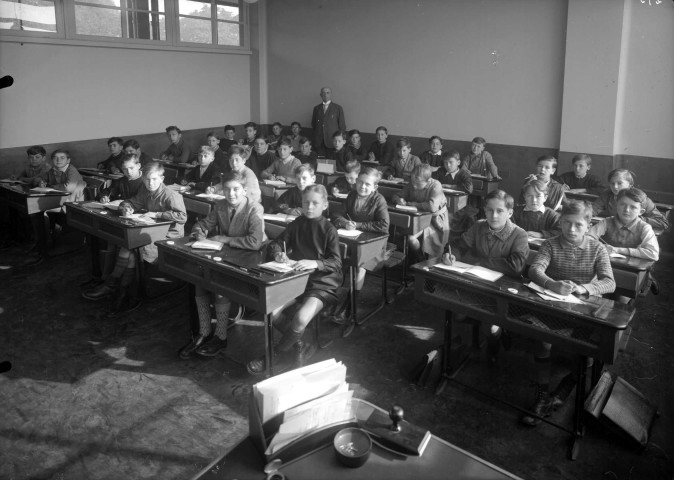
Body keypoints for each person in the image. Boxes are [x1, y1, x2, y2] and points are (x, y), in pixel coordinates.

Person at [523, 200, 615, 426]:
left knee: (587, 352)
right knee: (543, 342)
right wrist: (551, 284)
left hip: (582, 308)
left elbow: (609, 282)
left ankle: (569, 383)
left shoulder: (597, 248)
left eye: (578, 225)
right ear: (560, 222)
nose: (571, 230)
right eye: (566, 223)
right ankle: (543, 393)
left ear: (588, 225)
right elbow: (535, 269)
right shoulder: (550, 244)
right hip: (553, 304)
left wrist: (585, 288)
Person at [247, 184, 342, 375]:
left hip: (322, 283)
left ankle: (274, 354)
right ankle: (298, 344)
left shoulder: (329, 229)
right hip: (297, 278)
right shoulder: (297, 223)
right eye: (306, 202)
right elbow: (276, 243)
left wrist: (315, 263)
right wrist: (279, 254)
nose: (309, 207)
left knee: (300, 318)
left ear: (325, 205)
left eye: (315, 203)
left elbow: (336, 262)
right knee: (271, 312)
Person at [179, 171, 266, 359]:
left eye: (236, 189)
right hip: (227, 254)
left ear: (244, 190)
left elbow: (254, 242)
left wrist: (224, 239)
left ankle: (220, 335)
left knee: (219, 286)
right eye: (227, 189)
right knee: (199, 281)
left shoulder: (254, 209)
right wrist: (199, 232)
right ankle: (204, 332)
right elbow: (203, 223)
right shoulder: (220, 205)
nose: (231, 194)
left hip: (249, 259)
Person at [82, 162, 187, 315]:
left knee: (130, 248)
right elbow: (133, 201)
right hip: (150, 231)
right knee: (128, 248)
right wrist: (127, 207)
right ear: (143, 179)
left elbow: (182, 217)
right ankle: (124, 291)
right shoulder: (145, 190)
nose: (151, 183)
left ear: (162, 178)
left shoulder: (171, 195)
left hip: (168, 237)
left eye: (154, 179)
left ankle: (115, 287)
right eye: (147, 179)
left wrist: (158, 214)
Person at [442, 189, 530, 361]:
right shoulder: (479, 225)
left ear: (510, 213)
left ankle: (494, 342)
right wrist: (452, 254)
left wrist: (477, 260)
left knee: (490, 327)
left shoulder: (519, 234)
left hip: (503, 291)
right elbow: (460, 246)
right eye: (489, 210)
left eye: (500, 211)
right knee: (457, 314)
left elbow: (515, 266)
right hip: (477, 282)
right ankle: (480, 330)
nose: (494, 215)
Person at [83, 153, 146, 289]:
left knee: (116, 243)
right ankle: (104, 277)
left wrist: (126, 206)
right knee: (107, 240)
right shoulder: (122, 180)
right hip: (122, 215)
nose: (128, 172)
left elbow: (140, 203)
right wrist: (104, 196)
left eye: (131, 168)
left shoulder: (146, 182)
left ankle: (112, 281)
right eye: (124, 169)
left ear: (139, 166)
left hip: (138, 220)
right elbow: (107, 190)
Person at [589, 187, 660, 297]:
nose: (626, 210)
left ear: (641, 211)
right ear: (616, 205)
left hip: (628, 270)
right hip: (606, 265)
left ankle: (648, 279)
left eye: (633, 207)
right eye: (622, 204)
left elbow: (653, 254)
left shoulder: (644, 227)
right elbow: (588, 238)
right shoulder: (607, 222)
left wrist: (618, 250)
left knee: (621, 298)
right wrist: (601, 247)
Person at [332, 166, 390, 293]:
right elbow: (336, 215)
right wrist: (345, 222)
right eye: (360, 182)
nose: (362, 187)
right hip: (353, 240)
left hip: (375, 243)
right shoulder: (352, 195)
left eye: (367, 184)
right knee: (333, 257)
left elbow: (384, 225)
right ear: (356, 182)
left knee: (360, 266)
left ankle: (352, 301)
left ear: (375, 187)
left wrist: (358, 225)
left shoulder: (379, 200)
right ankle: (332, 291)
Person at [392, 164, 449, 262]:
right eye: (413, 182)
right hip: (417, 218)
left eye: (418, 184)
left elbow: (432, 207)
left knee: (411, 238)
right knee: (397, 233)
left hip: (435, 221)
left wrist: (412, 204)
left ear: (428, 181)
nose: (414, 186)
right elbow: (396, 195)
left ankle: (421, 261)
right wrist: (399, 200)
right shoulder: (412, 183)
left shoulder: (436, 185)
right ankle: (414, 261)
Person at [592, 168, 668, 232]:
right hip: (613, 231)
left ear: (630, 184)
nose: (615, 187)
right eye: (612, 183)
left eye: (619, 183)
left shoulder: (642, 199)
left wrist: (636, 219)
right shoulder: (607, 194)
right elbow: (594, 209)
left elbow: (662, 223)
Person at [311, 86, 346, 155]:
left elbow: (342, 126)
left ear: (331, 94)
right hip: (319, 142)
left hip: (332, 142)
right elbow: (314, 124)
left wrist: (339, 141)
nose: (325, 95)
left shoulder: (337, 108)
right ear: (321, 95)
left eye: (328, 93)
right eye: (323, 93)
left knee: (331, 162)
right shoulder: (316, 108)